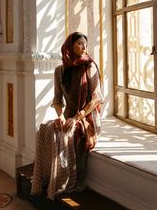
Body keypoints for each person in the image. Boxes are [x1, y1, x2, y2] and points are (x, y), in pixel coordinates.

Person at [31, 32, 104, 200]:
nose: (84, 47)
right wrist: (61, 116)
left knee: (67, 135)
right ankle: (49, 177)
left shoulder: (90, 66)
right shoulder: (60, 70)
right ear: (70, 46)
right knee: (45, 130)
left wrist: (77, 118)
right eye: (79, 43)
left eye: (85, 44)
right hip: (68, 115)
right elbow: (57, 100)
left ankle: (74, 181)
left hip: (88, 117)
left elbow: (96, 98)